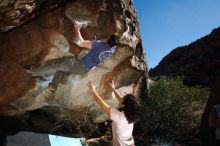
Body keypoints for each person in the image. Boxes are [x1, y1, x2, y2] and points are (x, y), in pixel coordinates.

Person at [31, 20, 119, 89]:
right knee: (62, 68)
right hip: (84, 70)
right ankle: (53, 87)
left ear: (108, 39)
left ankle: (33, 71)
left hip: (80, 65)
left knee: (57, 65)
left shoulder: (99, 45)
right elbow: (112, 43)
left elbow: (80, 43)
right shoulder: (112, 50)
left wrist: (77, 28)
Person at [87, 79, 140, 146]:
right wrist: (113, 89)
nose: (121, 97)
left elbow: (101, 104)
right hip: (129, 143)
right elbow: (121, 100)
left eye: (123, 98)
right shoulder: (131, 114)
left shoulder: (119, 116)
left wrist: (93, 90)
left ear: (124, 105)